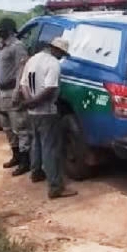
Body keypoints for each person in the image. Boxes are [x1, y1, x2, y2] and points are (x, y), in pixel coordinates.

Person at [19, 36, 78, 199]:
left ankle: (36, 172)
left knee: (36, 142)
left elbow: (23, 84)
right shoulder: (53, 64)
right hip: (46, 111)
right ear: (56, 50)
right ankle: (55, 187)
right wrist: (34, 102)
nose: (61, 57)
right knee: (50, 148)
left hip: (32, 111)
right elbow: (50, 89)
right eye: (62, 53)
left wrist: (29, 101)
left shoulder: (33, 60)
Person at [0, 18, 32, 176]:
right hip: (2, 92)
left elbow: (21, 70)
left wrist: (18, 91)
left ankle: (25, 162)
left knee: (21, 128)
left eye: (2, 29)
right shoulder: (3, 46)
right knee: (7, 127)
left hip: (12, 92)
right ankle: (16, 156)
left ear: (9, 30)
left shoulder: (17, 47)